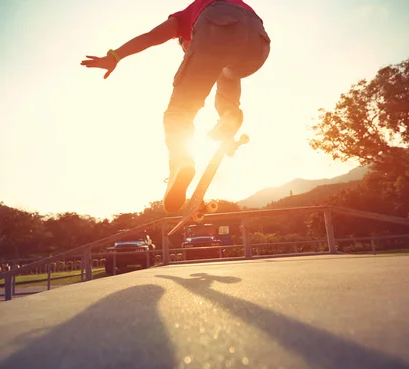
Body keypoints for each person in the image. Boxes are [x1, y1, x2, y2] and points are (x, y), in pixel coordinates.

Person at [81, 0, 271, 212]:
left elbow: (150, 37)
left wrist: (115, 56)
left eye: (184, 47)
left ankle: (181, 162)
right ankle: (229, 116)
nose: (186, 52)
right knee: (227, 71)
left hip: (217, 22)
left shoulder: (183, 18)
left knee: (178, 112)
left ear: (184, 38)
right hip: (258, 42)